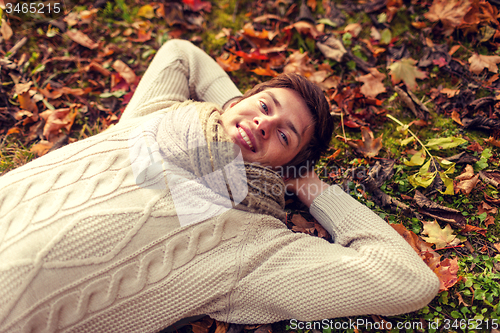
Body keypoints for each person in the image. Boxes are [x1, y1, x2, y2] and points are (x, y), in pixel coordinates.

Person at [0, 39, 439, 333]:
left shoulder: (251, 242)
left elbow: (405, 280)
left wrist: (310, 186)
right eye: (264, 105)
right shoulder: (159, 115)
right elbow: (181, 53)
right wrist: (234, 110)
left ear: (286, 166)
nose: (264, 123)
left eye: (285, 135)